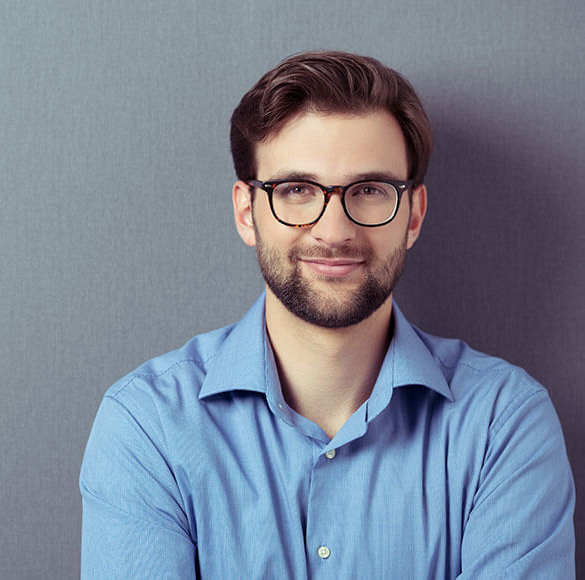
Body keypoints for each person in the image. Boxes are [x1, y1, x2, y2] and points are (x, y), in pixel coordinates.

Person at [79, 50, 575, 578]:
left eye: (369, 191)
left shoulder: (504, 425)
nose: (334, 231)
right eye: (296, 190)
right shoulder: (149, 427)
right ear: (247, 213)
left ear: (413, 216)